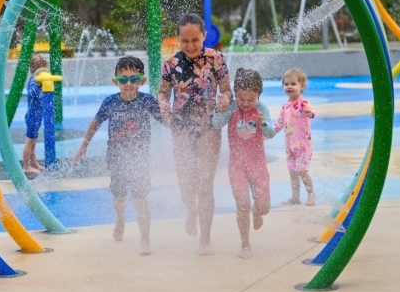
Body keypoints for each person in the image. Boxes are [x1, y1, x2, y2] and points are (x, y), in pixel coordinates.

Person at [72, 56, 163, 255]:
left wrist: (182, 131)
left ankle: (145, 238)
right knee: (120, 196)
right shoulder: (110, 102)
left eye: (133, 79)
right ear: (116, 82)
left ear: (142, 81)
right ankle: (120, 220)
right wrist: (83, 146)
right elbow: (95, 123)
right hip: (116, 159)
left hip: (140, 161)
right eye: (123, 79)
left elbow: (165, 119)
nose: (128, 84)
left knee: (140, 199)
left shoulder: (147, 101)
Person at [159, 14, 232, 256]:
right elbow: (162, 93)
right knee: (185, 184)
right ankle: (191, 209)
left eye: (195, 40)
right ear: (177, 39)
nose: (190, 45)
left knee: (205, 184)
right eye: (184, 41)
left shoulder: (216, 59)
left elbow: (226, 90)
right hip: (180, 128)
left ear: (204, 36)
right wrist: (163, 105)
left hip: (209, 127)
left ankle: (205, 238)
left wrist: (224, 99)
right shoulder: (170, 63)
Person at [212, 68, 275, 259]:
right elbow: (216, 124)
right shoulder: (232, 107)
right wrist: (220, 109)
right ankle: (245, 244)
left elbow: (271, 133)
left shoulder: (261, 109)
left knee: (263, 207)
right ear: (236, 94)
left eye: (251, 99)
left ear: (259, 94)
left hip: (257, 166)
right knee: (242, 205)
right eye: (241, 99)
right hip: (237, 166)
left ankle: (257, 212)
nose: (246, 103)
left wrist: (263, 123)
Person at [274, 68, 316, 206]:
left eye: (293, 84)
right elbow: (279, 124)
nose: (289, 87)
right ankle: (295, 197)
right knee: (292, 173)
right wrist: (268, 134)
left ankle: (311, 195)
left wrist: (310, 113)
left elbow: (311, 110)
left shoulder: (303, 104)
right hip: (290, 147)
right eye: (286, 84)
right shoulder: (285, 106)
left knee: (302, 171)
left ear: (302, 86)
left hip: (303, 146)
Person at [22, 55, 49, 179]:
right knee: (29, 141)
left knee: (34, 141)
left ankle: (34, 163)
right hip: (33, 115)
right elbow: (32, 93)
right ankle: (26, 166)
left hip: (37, 115)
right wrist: (40, 86)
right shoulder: (34, 81)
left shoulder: (38, 80)